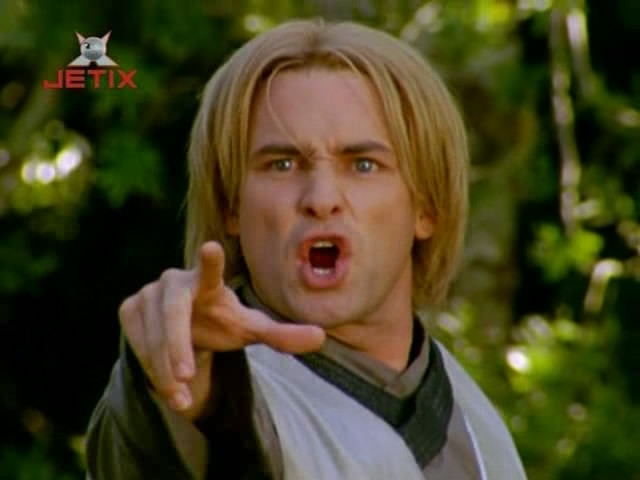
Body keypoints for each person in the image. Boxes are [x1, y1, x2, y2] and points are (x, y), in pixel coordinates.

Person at [85, 18, 527, 480]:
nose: (320, 198)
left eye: (363, 164)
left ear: (426, 206)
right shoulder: (216, 390)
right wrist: (177, 382)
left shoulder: (475, 419)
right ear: (231, 204)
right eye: (282, 164)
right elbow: (196, 438)